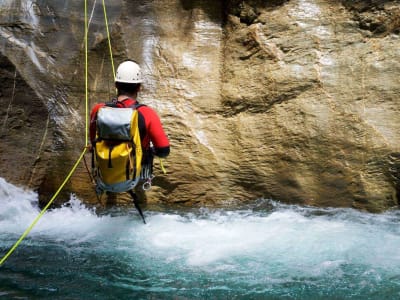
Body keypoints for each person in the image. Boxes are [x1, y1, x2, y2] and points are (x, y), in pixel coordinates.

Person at [89, 60, 170, 206]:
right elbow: (164, 150)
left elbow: (93, 142)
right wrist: (149, 150)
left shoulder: (98, 110)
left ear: (116, 85)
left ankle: (110, 192)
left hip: (105, 173)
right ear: (139, 87)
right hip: (134, 176)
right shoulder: (146, 113)